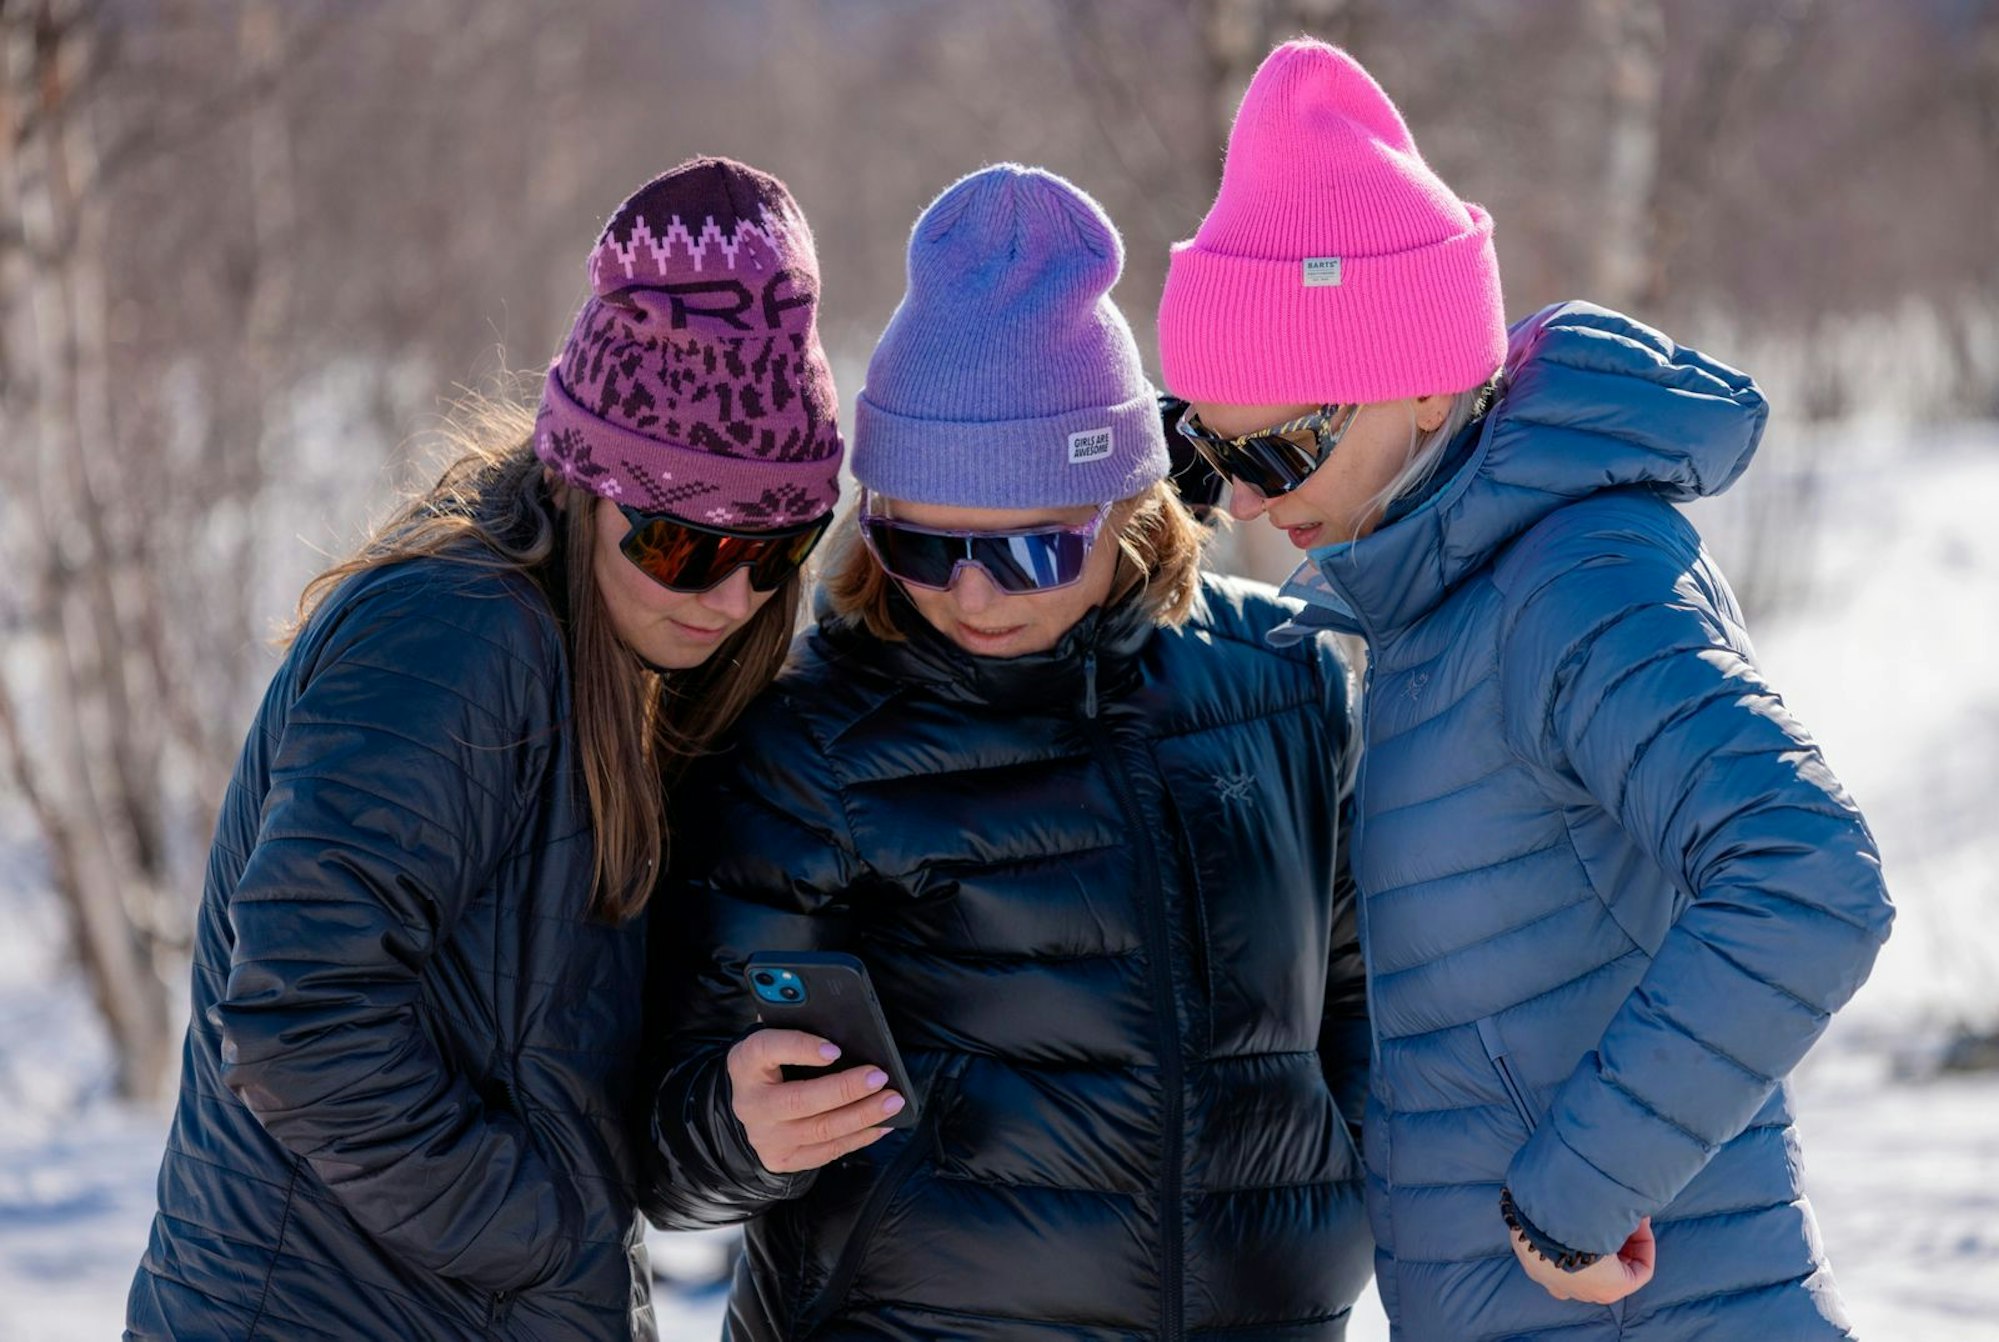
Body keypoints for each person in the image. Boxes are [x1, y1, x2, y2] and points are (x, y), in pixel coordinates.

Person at [1155, 39, 1895, 1341]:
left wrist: (1581, 1188)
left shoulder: (1573, 581)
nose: (1251, 504)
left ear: (1423, 378)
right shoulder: (1431, 607)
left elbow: (1807, 874)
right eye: (1212, 454)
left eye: (1281, 447)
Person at [641, 164, 1374, 1340]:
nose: (971, 594)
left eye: (1030, 551)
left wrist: (1350, 1195)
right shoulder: (805, 739)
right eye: (922, 547)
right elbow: (670, 1151)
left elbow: (1365, 1006)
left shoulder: (1281, 685)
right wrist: (734, 1129)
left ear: (1127, 503)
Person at [125, 157, 845, 1341]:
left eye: (775, 548)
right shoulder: (454, 635)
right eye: (680, 543)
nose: (728, 595)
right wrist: (550, 1234)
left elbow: (578, 1093)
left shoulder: (639, 671)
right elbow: (301, 1021)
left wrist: (727, 1124)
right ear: (584, 484)